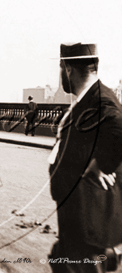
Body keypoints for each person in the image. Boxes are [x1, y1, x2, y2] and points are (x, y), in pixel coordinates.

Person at [47, 43, 122, 272]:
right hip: (77, 222)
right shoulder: (88, 99)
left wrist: (100, 165)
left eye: (61, 69)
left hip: (88, 222)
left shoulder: (101, 101)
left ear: (67, 69)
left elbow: (119, 128)